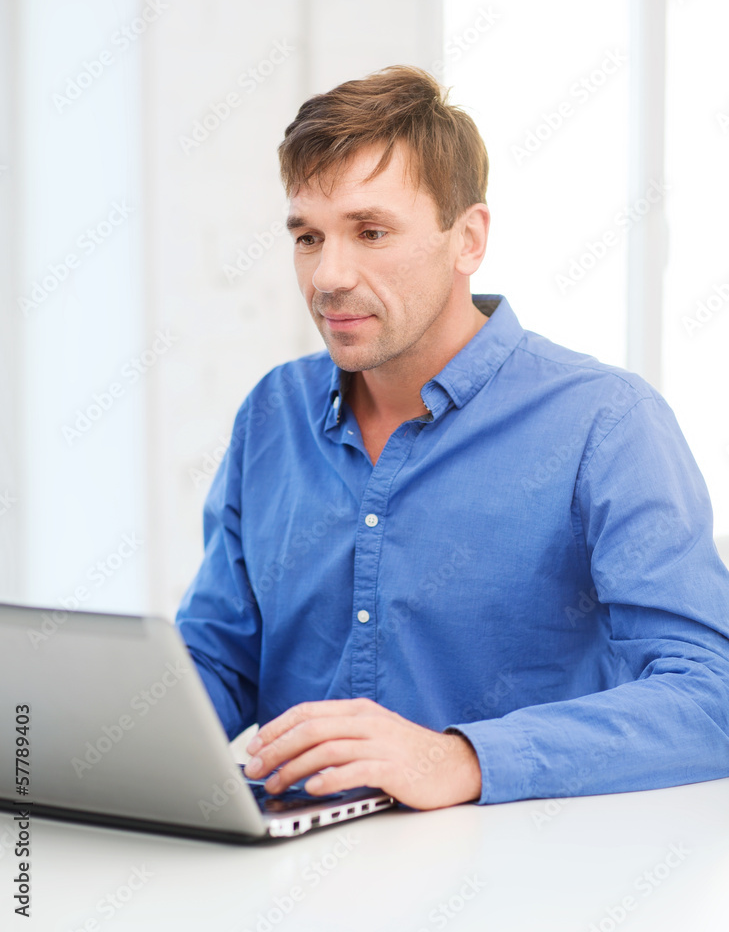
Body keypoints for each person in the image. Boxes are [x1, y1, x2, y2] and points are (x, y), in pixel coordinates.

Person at [175, 65, 729, 810]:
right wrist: (88, 733)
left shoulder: (606, 422)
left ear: (468, 239)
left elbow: (710, 697)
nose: (328, 275)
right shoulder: (273, 412)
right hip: (288, 859)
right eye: (308, 237)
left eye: (371, 232)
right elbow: (219, 660)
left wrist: (462, 758)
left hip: (513, 868)